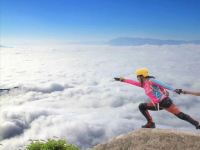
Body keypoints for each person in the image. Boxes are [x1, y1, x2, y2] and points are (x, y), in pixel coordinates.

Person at [114, 67, 200, 129]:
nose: (137, 78)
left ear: (142, 76)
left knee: (180, 115)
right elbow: (133, 83)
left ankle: (197, 124)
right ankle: (150, 123)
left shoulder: (151, 81)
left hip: (165, 102)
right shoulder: (144, 84)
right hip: (157, 104)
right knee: (142, 106)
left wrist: (175, 90)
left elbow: (164, 85)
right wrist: (123, 80)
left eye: (138, 76)